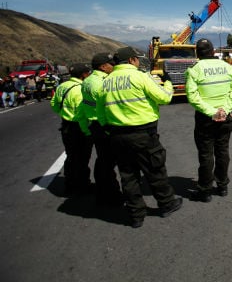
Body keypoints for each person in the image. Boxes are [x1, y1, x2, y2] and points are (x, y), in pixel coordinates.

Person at [96, 46, 182, 228]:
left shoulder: (106, 82)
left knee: (128, 176)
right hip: (143, 134)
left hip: (117, 136)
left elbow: (100, 112)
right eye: (136, 59)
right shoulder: (140, 76)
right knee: (155, 169)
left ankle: (136, 215)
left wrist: (109, 129)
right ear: (131, 61)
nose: (137, 61)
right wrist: (167, 82)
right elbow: (164, 98)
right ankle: (167, 204)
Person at [185, 39, 232, 203]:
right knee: (222, 151)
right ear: (213, 51)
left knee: (205, 155)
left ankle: (205, 191)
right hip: (225, 117)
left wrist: (212, 112)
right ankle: (223, 186)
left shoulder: (194, 70)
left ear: (197, 53)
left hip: (205, 119)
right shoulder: (228, 67)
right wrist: (224, 110)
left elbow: (192, 97)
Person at [80, 52, 123, 206]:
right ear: (103, 66)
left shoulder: (89, 80)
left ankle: (105, 193)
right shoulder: (100, 83)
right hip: (102, 126)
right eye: (111, 64)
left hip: (95, 125)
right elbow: (106, 105)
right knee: (107, 163)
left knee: (104, 161)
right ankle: (109, 196)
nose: (114, 66)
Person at [50, 63, 93, 195]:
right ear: (84, 75)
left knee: (71, 156)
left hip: (66, 126)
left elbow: (54, 104)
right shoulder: (80, 89)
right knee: (82, 158)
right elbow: (81, 114)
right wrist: (87, 131)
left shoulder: (62, 86)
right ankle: (82, 186)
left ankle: (70, 184)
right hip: (79, 128)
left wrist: (64, 114)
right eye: (88, 73)